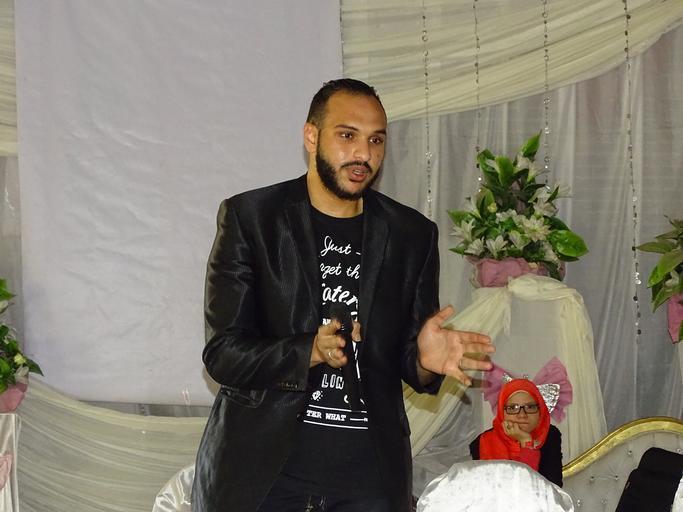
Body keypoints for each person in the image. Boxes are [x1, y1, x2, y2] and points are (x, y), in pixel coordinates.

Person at [191, 78, 494, 512]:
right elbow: (223, 354)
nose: (363, 154)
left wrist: (424, 362)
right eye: (347, 136)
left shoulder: (412, 235)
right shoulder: (252, 219)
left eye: (376, 140)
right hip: (262, 478)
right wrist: (308, 351)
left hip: (368, 484)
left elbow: (407, 360)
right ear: (311, 136)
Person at [469, 379, 563, 487]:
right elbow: (485, 490)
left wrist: (526, 442)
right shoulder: (482, 442)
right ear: (502, 412)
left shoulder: (550, 435)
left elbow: (552, 488)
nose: (522, 415)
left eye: (530, 407)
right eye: (513, 408)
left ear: (540, 410)